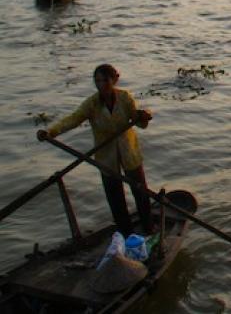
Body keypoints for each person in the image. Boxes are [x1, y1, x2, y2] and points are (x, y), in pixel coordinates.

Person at [37, 64, 155, 236]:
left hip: (129, 151)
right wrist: (50, 132)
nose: (102, 85)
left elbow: (137, 119)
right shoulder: (92, 104)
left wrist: (145, 115)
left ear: (114, 80)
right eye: (97, 81)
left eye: (105, 80)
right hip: (106, 156)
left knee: (140, 191)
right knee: (115, 198)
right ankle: (126, 235)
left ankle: (150, 228)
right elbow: (73, 119)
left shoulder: (125, 98)